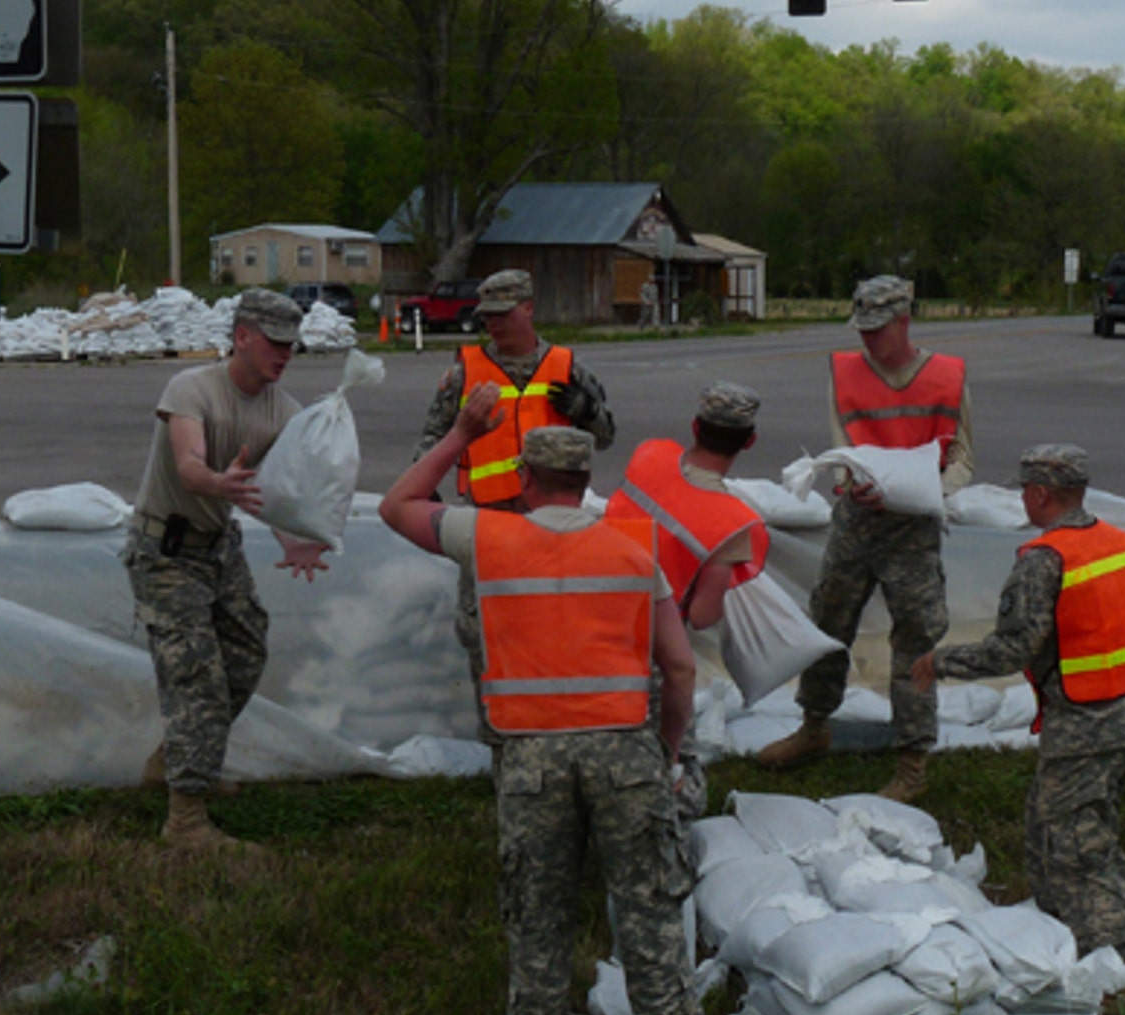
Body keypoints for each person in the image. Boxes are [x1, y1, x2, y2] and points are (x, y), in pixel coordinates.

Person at [381, 408, 718, 1015]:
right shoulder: (632, 546)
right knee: (650, 901)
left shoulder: (487, 537)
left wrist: (458, 438)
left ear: (527, 479)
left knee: (538, 909)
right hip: (625, 753)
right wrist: (669, 751)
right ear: (586, 479)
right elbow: (679, 669)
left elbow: (397, 505)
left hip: (530, 756)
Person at [908, 444, 1125, 1015]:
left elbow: (1014, 646)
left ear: (1041, 494)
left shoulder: (1045, 559)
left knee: (1083, 847)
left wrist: (940, 662)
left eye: (1024, 490)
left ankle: (1116, 977)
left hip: (1085, 725)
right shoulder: (1124, 545)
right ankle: (1053, 939)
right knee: (1047, 825)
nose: (1022, 499)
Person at [124, 288, 332, 851]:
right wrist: (218, 482)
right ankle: (186, 819)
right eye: (275, 342)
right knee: (198, 676)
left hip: (218, 545)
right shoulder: (190, 389)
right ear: (242, 336)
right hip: (165, 549)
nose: (285, 354)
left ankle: (176, 761)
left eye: (293, 344)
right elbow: (190, 465)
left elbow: (272, 492)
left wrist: (296, 540)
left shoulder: (281, 410)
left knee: (244, 654)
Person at [758, 274, 975, 804]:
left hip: (914, 530)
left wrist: (931, 490)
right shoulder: (843, 372)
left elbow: (964, 457)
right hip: (857, 522)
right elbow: (842, 444)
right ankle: (814, 726)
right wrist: (847, 482)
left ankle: (913, 761)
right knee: (828, 622)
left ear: (904, 321)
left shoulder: (948, 377)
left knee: (916, 639)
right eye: (862, 329)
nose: (867, 341)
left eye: (877, 329)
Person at [414, 268, 618, 745]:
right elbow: (433, 433)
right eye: (487, 316)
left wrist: (585, 411)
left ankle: (557, 722)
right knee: (482, 626)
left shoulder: (568, 368)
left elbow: (606, 436)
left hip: (554, 523)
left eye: (503, 314)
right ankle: (500, 736)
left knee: (558, 619)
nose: (494, 324)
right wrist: (425, 483)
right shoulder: (466, 370)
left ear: (528, 308)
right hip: (489, 520)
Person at [604, 380, 768, 631]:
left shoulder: (648, 454)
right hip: (649, 632)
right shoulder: (731, 522)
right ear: (750, 441)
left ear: (695, 427)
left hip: (600, 596)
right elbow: (702, 616)